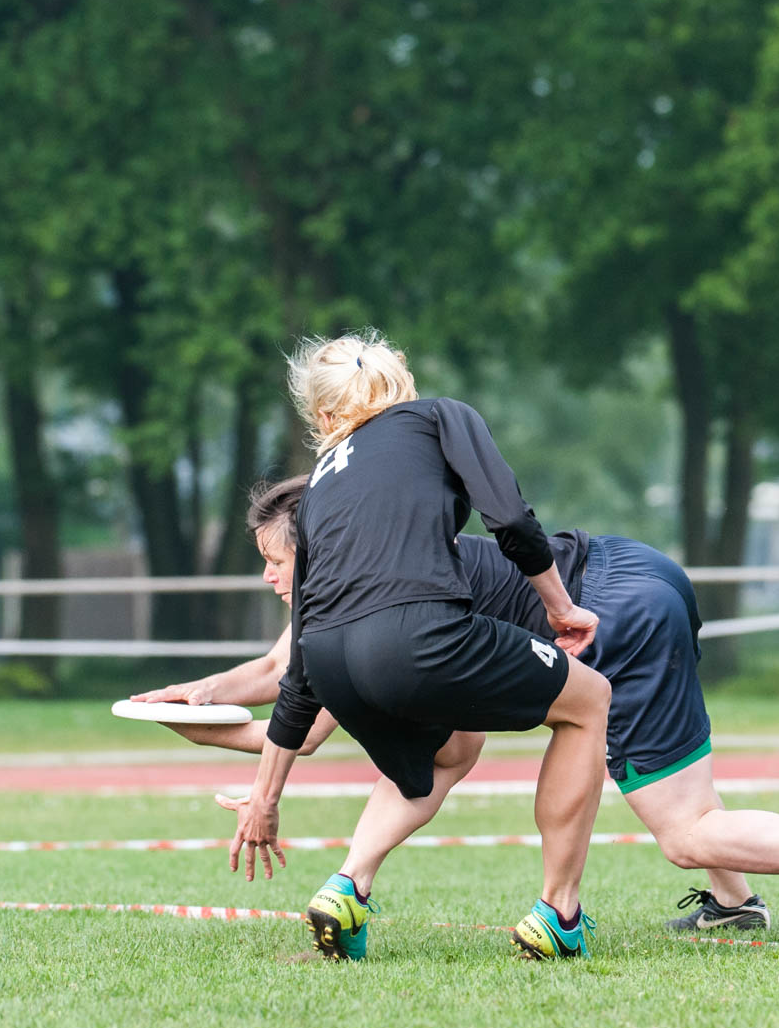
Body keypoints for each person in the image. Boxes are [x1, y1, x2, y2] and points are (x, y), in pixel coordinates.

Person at [133, 480, 779, 959]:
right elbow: (276, 671)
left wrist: (174, 723)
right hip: (631, 570)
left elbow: (299, 721)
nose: (271, 574)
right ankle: (735, 901)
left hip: (610, 615)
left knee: (682, 829)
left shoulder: (356, 596)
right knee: (462, 750)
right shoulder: (370, 566)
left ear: (324, 547)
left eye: (277, 558)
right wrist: (191, 693)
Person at [225, 331, 611, 962]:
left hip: (332, 664)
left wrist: (265, 799)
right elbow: (510, 519)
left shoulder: (318, 484)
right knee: (589, 699)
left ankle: (348, 888)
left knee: (449, 750)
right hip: (415, 638)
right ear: (398, 383)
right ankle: (561, 913)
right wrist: (560, 606)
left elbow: (299, 668)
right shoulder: (438, 417)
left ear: (325, 416)